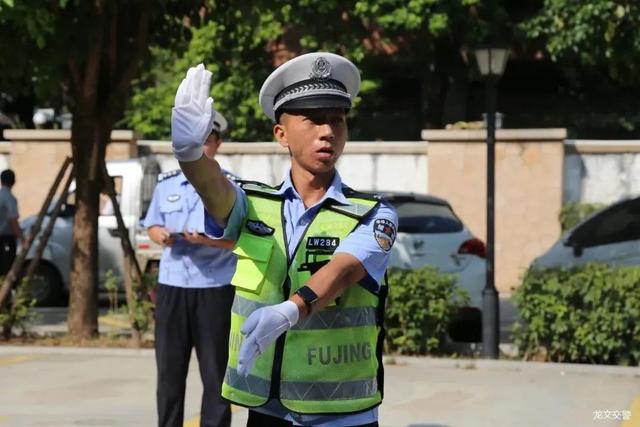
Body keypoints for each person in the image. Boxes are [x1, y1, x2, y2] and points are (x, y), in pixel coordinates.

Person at [171, 53, 398, 427]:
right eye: (313, 120)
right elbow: (214, 191)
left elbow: (343, 270)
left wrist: (291, 309)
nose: (328, 131)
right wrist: (189, 155)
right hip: (266, 410)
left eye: (337, 120)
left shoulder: (374, 214)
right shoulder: (253, 205)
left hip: (342, 415)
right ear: (281, 134)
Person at [144, 114, 237, 427]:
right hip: (173, 287)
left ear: (217, 144)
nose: (199, 149)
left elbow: (240, 240)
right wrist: (163, 236)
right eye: (194, 143)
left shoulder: (232, 188)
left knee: (216, 377)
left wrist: (209, 241)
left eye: (206, 142)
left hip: (215, 289)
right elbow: (152, 225)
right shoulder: (167, 184)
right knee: (169, 375)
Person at [0, 169, 23, 276]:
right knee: (7, 267)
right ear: (14, 181)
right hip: (6, 239)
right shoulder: (10, 199)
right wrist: (22, 238)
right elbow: (13, 220)